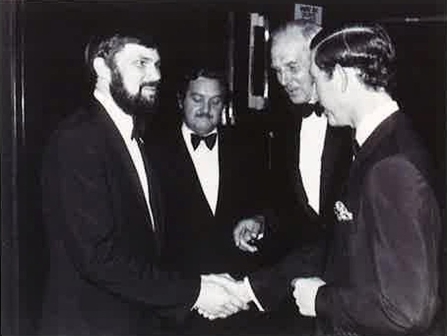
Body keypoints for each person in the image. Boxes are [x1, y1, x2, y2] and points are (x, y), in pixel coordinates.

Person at [39, 34, 247, 336]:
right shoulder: (78, 139)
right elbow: (99, 258)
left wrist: (204, 283)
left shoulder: (134, 138)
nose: (156, 75)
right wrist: (196, 292)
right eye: (141, 63)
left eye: (157, 64)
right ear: (102, 68)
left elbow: (144, 250)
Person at [288, 23, 441, 335]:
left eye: (317, 82)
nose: (315, 97)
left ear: (342, 78)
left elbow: (406, 310)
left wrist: (320, 299)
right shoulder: (386, 142)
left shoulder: (392, 166)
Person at [147, 65, 271, 335]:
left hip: (238, 306)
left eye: (215, 101)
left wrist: (260, 220)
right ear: (181, 100)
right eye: (197, 99)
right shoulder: (151, 153)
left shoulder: (248, 148)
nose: (206, 108)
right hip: (178, 310)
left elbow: (270, 205)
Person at [233, 19, 352, 258]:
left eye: (292, 67)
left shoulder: (353, 120)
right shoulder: (281, 122)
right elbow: (285, 199)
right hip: (301, 270)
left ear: (320, 60)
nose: (283, 81)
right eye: (278, 71)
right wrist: (262, 220)